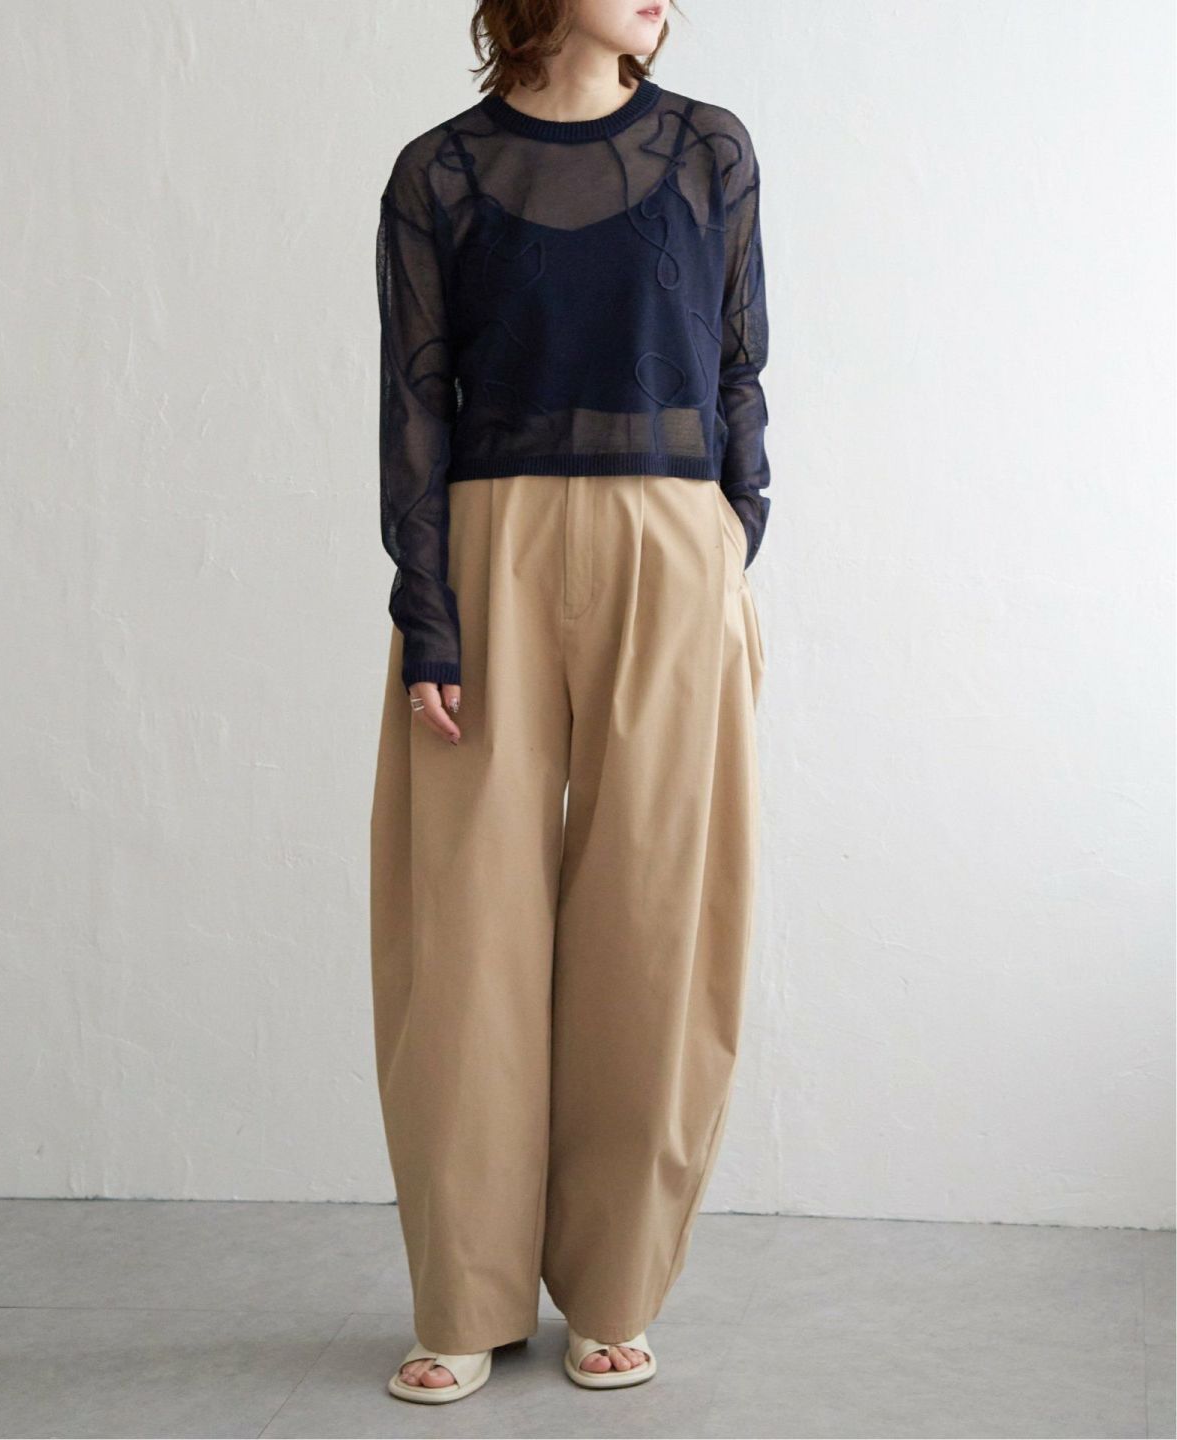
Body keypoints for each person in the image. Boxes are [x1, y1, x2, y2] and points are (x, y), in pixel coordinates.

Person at [369, 0, 769, 1403]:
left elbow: (739, 366)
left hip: (670, 544)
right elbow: (414, 402)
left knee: (654, 919)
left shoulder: (711, 150)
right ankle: (464, 1293)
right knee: (463, 933)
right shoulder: (438, 171)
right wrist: (428, 611)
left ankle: (614, 1286)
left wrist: (726, 541)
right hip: (490, 551)